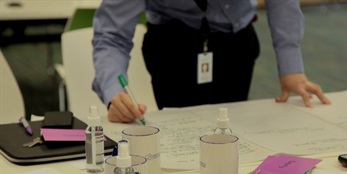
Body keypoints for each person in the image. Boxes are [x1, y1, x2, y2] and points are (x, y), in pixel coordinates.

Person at [92, 0, 331, 123]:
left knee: (236, 132)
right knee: (180, 137)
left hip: (235, 43)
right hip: (173, 46)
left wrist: (292, 69)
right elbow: (112, 35)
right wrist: (114, 92)